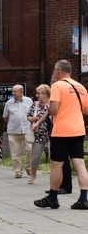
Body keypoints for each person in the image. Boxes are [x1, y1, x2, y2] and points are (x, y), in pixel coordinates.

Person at [35, 59, 88, 210]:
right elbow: (86, 110)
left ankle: (52, 198)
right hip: (78, 130)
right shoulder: (81, 87)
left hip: (62, 131)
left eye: (54, 71)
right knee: (79, 163)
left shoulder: (57, 85)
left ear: (58, 71)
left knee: (56, 164)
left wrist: (48, 108)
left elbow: (54, 109)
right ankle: (84, 198)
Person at [3, 84, 33, 178]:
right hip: (13, 131)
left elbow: (32, 113)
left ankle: (28, 166)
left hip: (27, 129)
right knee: (15, 152)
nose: (13, 93)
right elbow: (5, 117)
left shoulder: (29, 101)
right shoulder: (9, 103)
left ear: (21, 92)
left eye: (15, 91)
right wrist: (13, 123)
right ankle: (18, 171)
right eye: (12, 91)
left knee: (30, 149)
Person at [27, 84, 51, 185]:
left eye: (39, 93)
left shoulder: (52, 104)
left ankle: (55, 175)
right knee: (35, 156)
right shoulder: (35, 104)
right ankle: (33, 175)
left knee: (54, 156)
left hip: (50, 133)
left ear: (45, 94)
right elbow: (28, 115)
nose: (37, 95)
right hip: (38, 134)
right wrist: (32, 119)